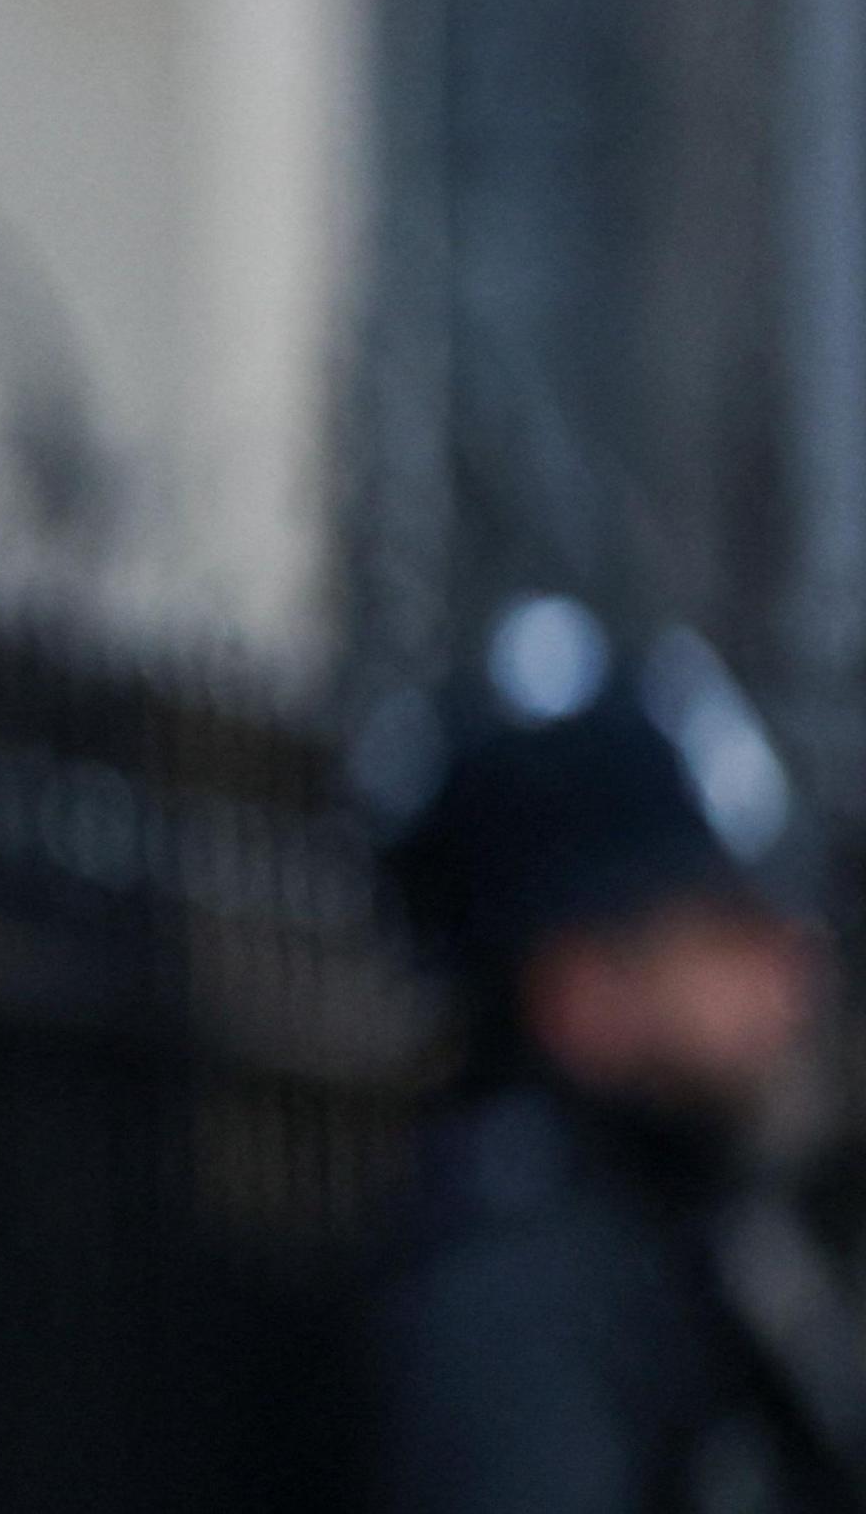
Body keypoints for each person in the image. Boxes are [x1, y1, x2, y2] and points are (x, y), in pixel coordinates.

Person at [370, 596, 866, 1514]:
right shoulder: (517, 1313)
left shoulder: (679, 1232)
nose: (793, 968)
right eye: (726, 929)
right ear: (580, 992)